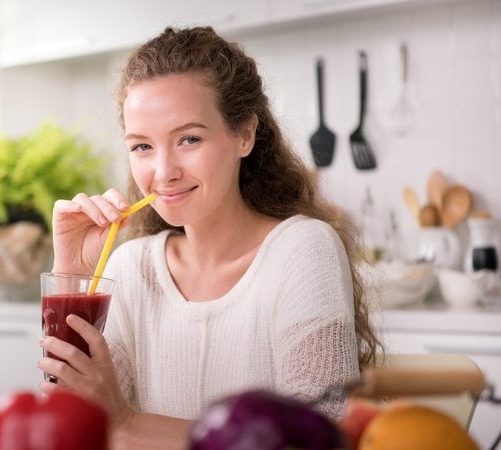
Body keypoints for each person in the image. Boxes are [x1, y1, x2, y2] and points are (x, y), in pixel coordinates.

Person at [38, 26, 380, 450]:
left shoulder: (302, 249)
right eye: (142, 146)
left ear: (245, 135)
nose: (163, 173)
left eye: (189, 139)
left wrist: (126, 422)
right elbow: (74, 429)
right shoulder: (130, 268)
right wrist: (72, 277)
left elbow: (313, 440)